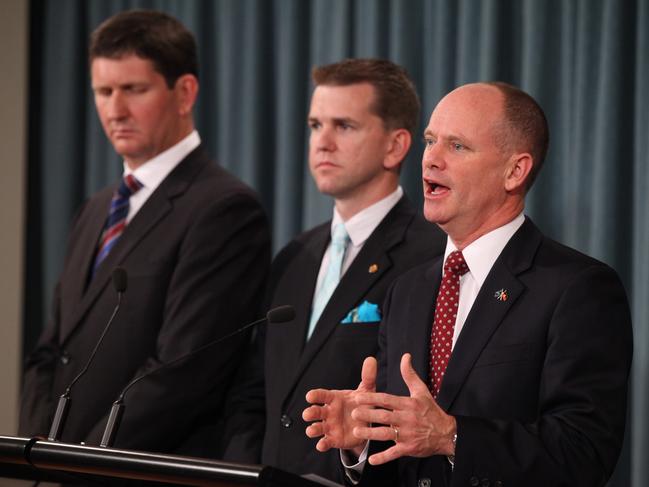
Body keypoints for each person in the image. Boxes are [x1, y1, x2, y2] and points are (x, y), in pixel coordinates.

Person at [303, 82, 633, 487]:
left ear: (515, 170)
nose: (430, 161)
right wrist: (362, 445)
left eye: (456, 146)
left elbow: (584, 453)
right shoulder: (406, 291)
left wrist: (452, 436)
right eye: (429, 141)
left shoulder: (578, 288)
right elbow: (405, 457)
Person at [18, 9, 271, 455]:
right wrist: (39, 448)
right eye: (103, 91)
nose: (115, 110)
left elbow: (183, 370)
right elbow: (52, 351)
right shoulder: (95, 209)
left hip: (137, 468)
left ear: (185, 92)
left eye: (134, 89)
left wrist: (87, 458)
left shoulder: (224, 208)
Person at [221, 59, 445, 481]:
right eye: (314, 125)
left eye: (343, 126)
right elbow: (254, 391)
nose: (322, 142)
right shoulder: (294, 256)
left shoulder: (430, 258)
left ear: (395, 146)